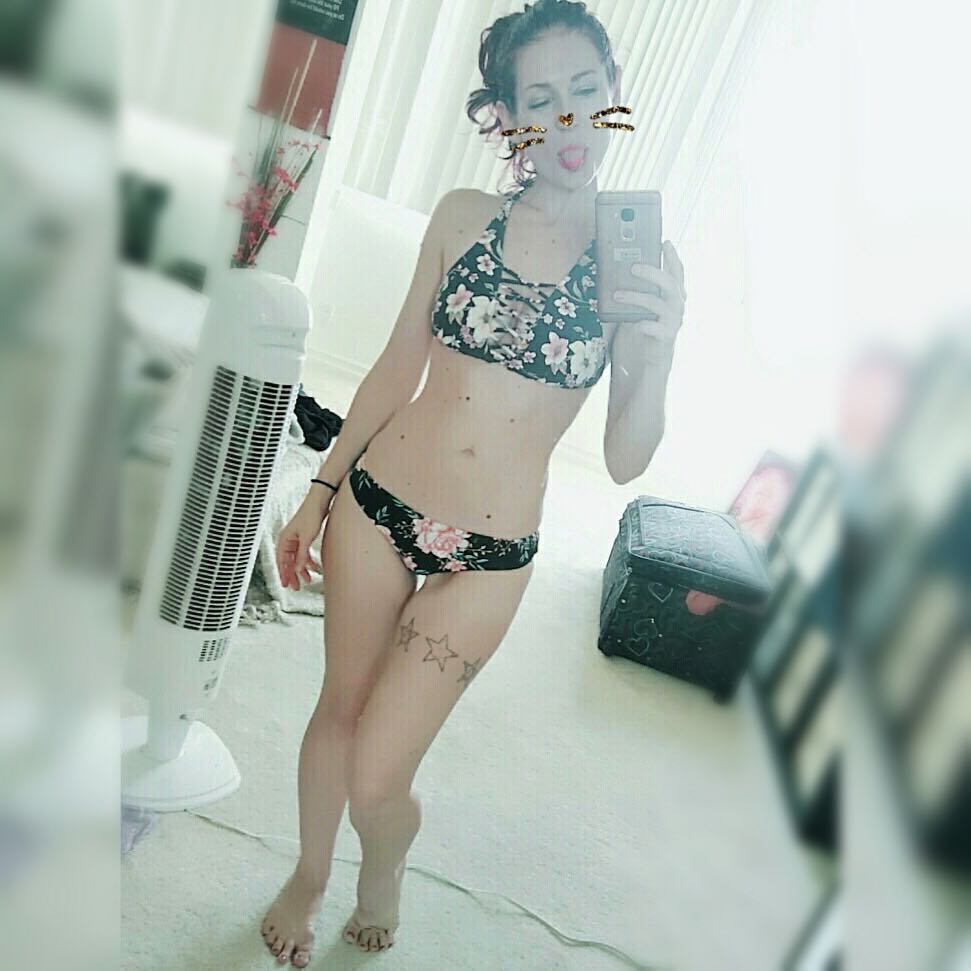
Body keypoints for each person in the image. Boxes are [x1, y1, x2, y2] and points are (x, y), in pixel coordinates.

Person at [260, 0, 686, 964]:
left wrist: (658, 351)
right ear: (509, 116)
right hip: (377, 506)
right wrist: (320, 492)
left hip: (488, 556)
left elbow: (625, 458)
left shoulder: (636, 264)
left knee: (379, 776)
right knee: (338, 710)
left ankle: (382, 867)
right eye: (540, 99)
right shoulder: (462, 217)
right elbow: (391, 370)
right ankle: (310, 874)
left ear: (614, 95)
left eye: (586, 91)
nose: (568, 120)